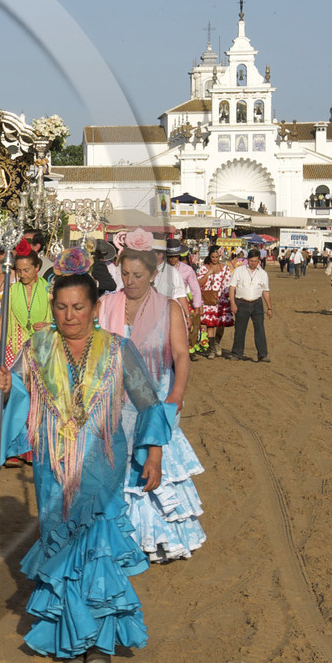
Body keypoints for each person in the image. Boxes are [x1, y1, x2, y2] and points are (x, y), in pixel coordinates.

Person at [0, 249, 171, 663]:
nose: (69, 315)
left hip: (101, 462)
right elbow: (12, 393)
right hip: (52, 464)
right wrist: (0, 384)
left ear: (94, 308)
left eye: (78, 307)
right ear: (52, 307)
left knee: (97, 549)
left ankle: (99, 644)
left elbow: (148, 403)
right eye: (61, 307)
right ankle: (71, 634)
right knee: (63, 546)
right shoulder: (36, 347)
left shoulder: (118, 349)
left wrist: (155, 454)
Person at [100, 240, 205, 562]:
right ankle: (121, 538)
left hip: (156, 395)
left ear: (152, 274)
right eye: (126, 274)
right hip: (115, 397)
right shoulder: (106, 304)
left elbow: (180, 355)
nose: (130, 281)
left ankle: (158, 538)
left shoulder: (169, 308)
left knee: (155, 461)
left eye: (137, 275)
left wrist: (177, 394)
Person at [0, 237, 48, 465]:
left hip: (42, 350)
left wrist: (51, 326)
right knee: (14, 397)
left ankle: (35, 449)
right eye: (19, 271)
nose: (22, 275)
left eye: (27, 270)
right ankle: (13, 449)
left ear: (38, 268)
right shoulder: (12, 289)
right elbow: (4, 318)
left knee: (38, 400)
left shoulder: (49, 289)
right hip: (14, 348)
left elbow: (62, 318)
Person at [227, 248, 273, 362]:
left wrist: (269, 307)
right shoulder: (239, 270)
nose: (253, 263)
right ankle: (237, 353)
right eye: (251, 261)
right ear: (247, 260)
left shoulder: (263, 273)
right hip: (242, 302)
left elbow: (265, 291)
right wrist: (232, 303)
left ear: (259, 261)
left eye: (255, 261)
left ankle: (262, 354)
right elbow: (232, 287)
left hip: (257, 303)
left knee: (260, 329)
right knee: (240, 329)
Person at [197, 248, 234, 353]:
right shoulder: (204, 268)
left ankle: (217, 342)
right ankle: (212, 347)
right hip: (209, 299)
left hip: (221, 299)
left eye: (216, 257)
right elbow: (199, 283)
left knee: (221, 324)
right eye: (213, 257)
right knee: (210, 324)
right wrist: (208, 273)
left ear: (220, 257)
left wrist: (228, 297)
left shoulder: (225, 268)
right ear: (210, 256)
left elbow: (228, 284)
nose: (214, 259)